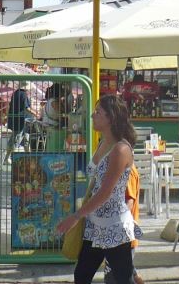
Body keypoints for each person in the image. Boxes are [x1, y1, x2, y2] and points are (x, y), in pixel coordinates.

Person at [56, 95, 140, 284]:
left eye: (98, 112)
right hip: (95, 225)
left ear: (110, 117)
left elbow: (105, 192)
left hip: (114, 227)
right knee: (82, 275)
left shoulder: (121, 149)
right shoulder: (102, 143)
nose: (92, 116)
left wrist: (76, 216)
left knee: (123, 278)